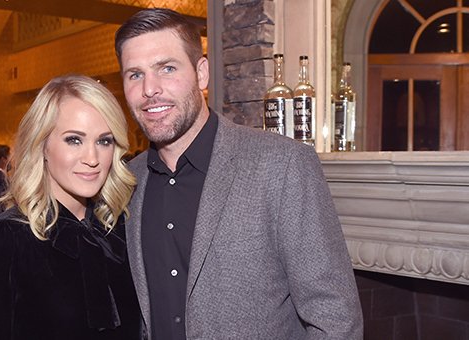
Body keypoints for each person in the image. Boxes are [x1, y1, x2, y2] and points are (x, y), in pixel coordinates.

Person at [115, 8, 363, 339]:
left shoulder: (282, 166)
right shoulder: (127, 181)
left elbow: (335, 319)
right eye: (135, 74)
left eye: (167, 68)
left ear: (201, 73)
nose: (150, 89)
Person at [0, 75, 141, 339]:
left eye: (104, 141)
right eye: (74, 140)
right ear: (42, 145)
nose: (92, 159)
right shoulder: (3, 241)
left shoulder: (120, 231)